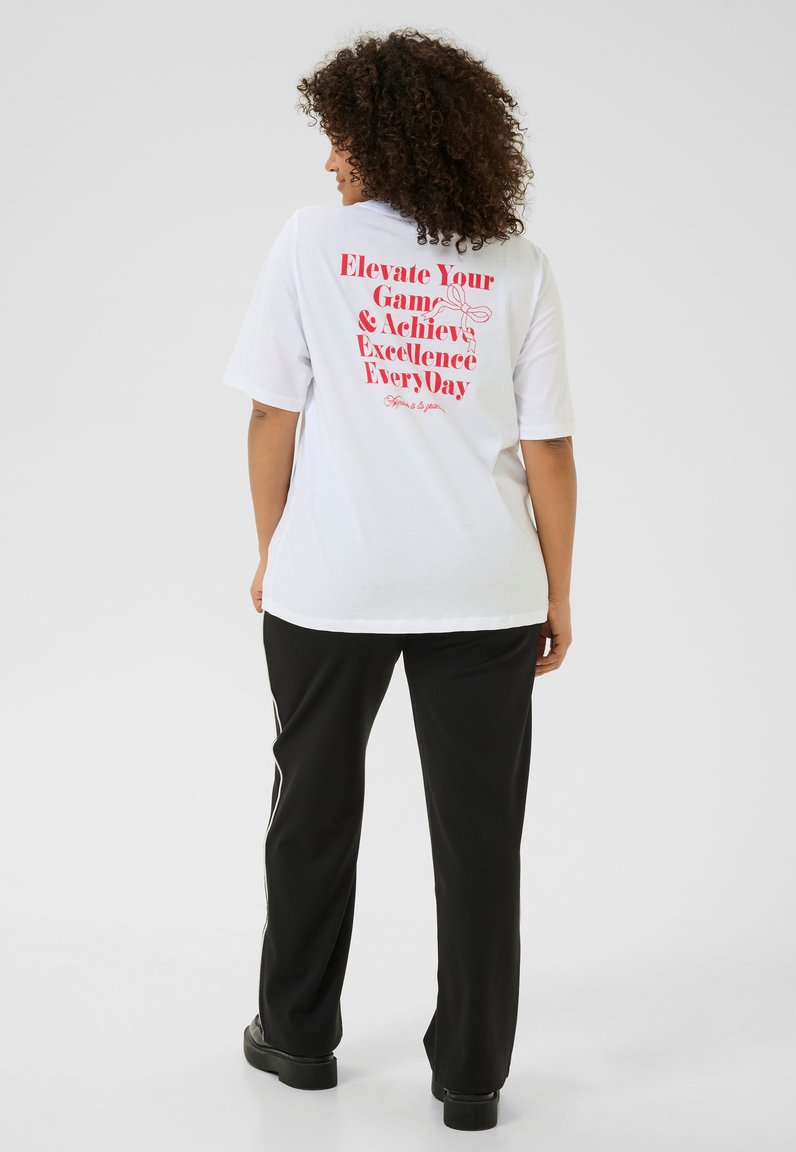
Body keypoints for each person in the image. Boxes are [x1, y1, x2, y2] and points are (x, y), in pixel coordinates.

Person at [222, 28, 578, 1131]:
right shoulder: (516, 263)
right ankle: (470, 1075)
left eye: (341, 137)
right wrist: (558, 591)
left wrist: (274, 547)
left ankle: (296, 1036)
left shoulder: (309, 244)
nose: (328, 158)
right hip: (485, 586)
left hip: (332, 584)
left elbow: (271, 414)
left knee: (310, 812)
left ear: (386, 140)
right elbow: (549, 450)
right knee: (480, 838)